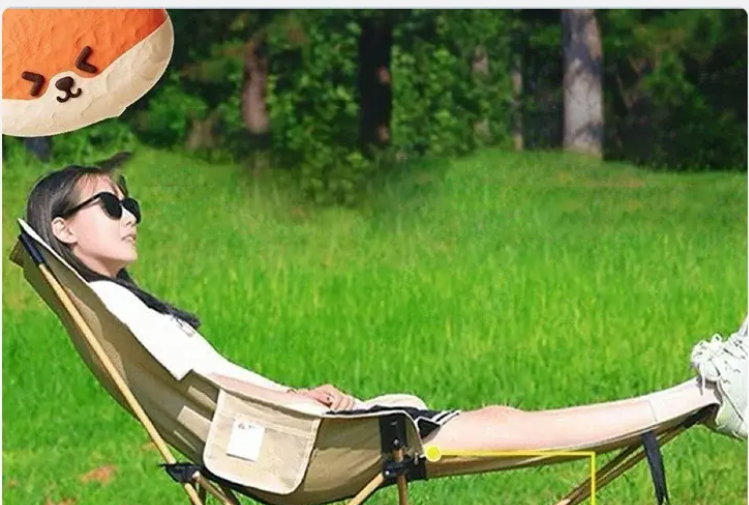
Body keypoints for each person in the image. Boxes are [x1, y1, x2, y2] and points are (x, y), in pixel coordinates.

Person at [23, 153, 748, 452]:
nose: (130, 215)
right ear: (63, 228)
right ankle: (702, 395)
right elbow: (208, 385)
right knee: (505, 426)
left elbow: (204, 388)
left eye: (132, 203)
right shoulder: (116, 309)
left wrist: (296, 400)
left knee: (500, 420)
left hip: (290, 435)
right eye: (110, 205)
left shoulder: (113, 308)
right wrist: (296, 401)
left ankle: (703, 397)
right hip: (293, 447)